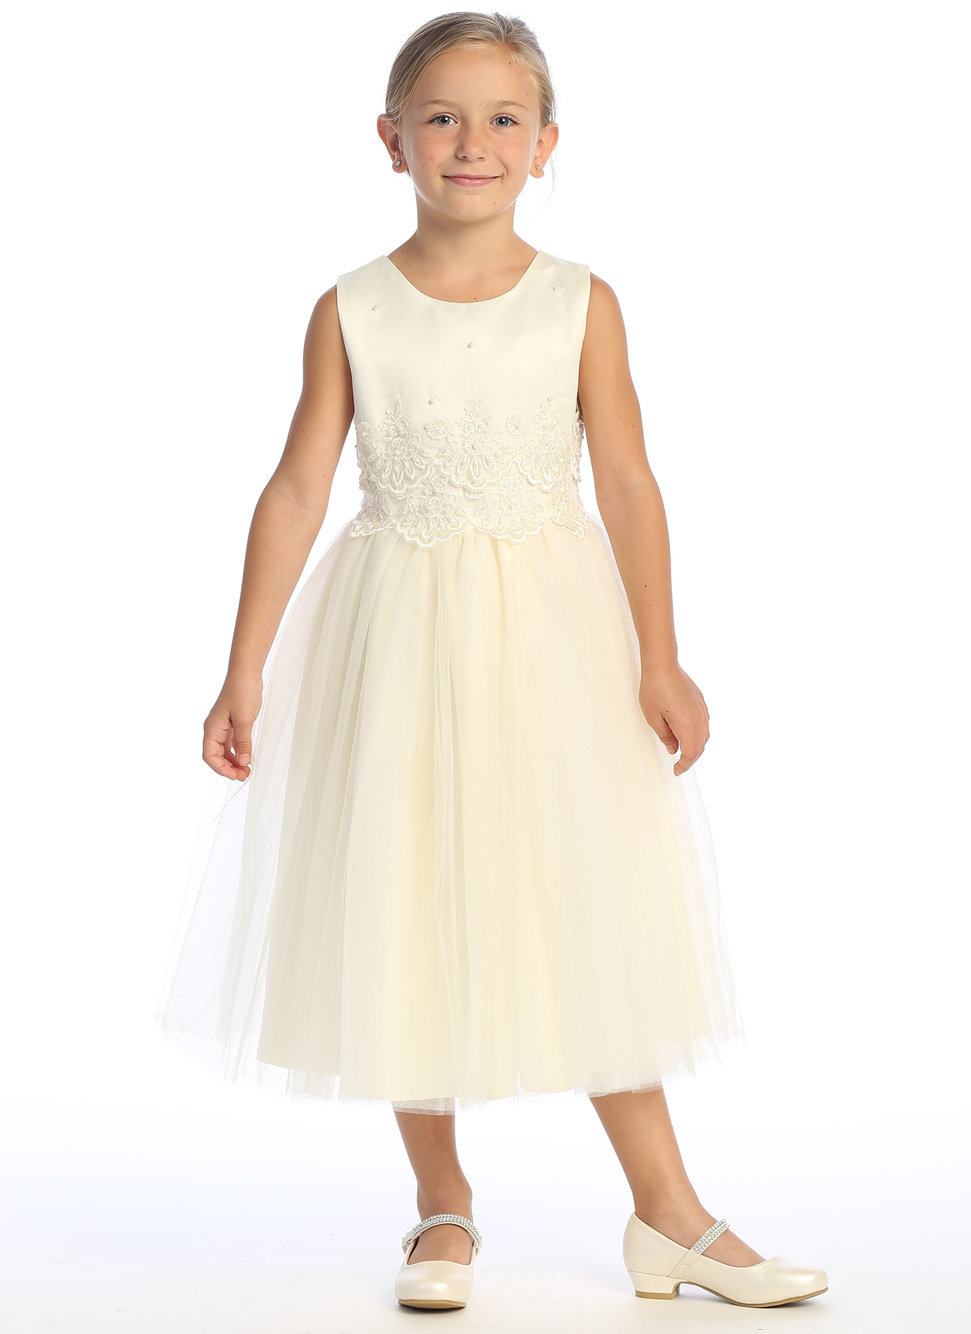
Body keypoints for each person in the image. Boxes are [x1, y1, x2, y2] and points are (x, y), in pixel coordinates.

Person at [155, 10, 828, 1313]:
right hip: (396, 629)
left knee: (581, 897)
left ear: (546, 144)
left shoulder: (582, 302)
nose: (473, 142)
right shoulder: (351, 308)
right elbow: (297, 488)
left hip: (549, 636)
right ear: (391, 138)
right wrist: (243, 670)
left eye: (503, 119)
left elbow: (628, 482)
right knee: (404, 893)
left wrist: (662, 656)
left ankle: (670, 1214)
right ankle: (441, 1204)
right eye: (443, 118)